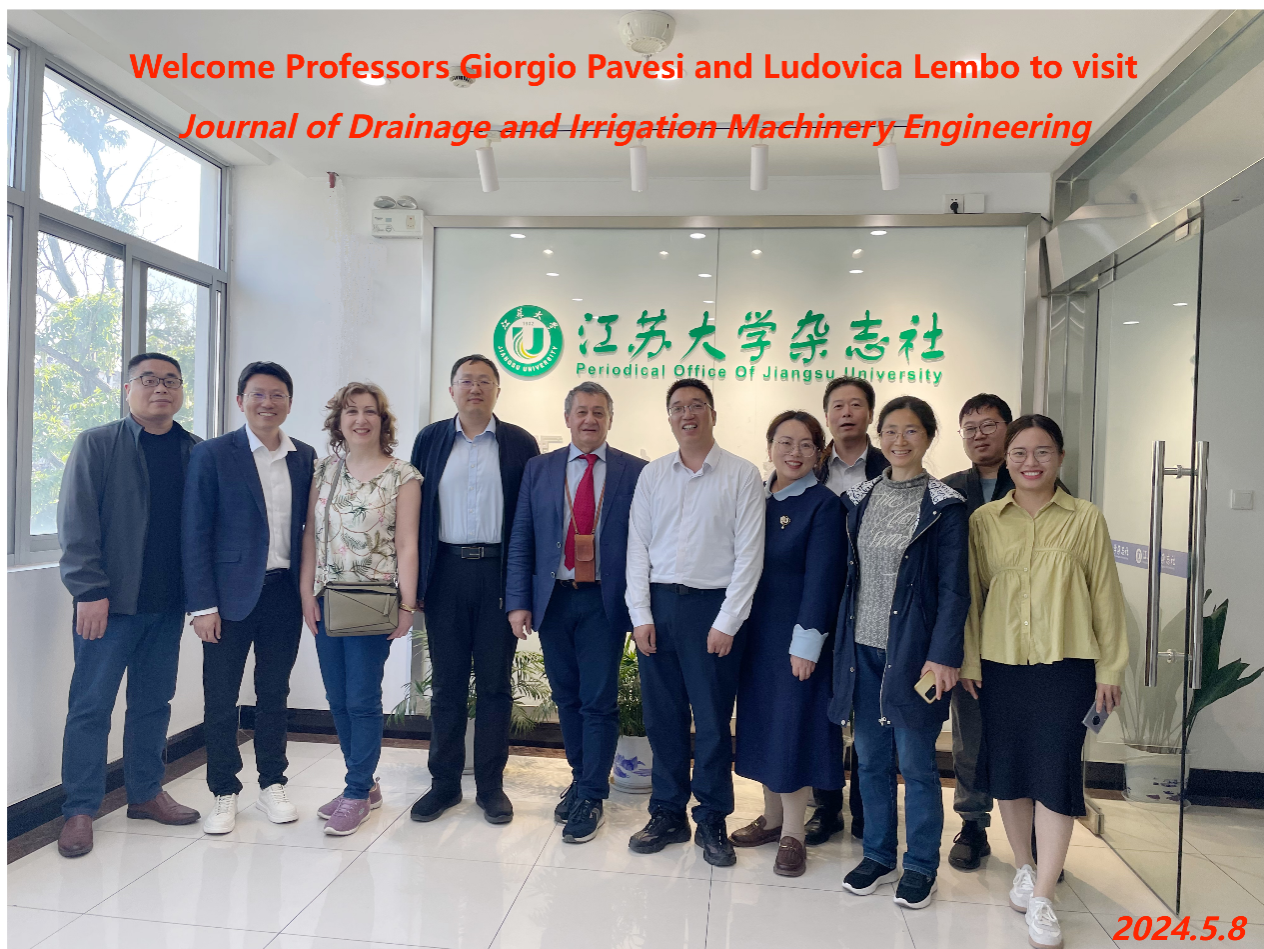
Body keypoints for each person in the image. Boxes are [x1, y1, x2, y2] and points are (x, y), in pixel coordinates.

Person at [961, 415, 1127, 949]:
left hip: (1067, 668)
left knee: (1056, 777)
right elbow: (972, 600)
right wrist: (970, 662)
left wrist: (1110, 669)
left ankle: (1044, 895)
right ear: (1006, 460)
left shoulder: (1085, 518)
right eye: (1020, 453)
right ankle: (1024, 867)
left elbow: (1106, 598)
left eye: (1042, 452)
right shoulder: (985, 521)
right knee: (1009, 773)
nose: (1030, 463)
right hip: (1001, 666)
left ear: (1060, 458)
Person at [55, 353, 202, 858]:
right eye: (149, 379)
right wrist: (88, 590)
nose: (161, 388)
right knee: (90, 706)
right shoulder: (97, 443)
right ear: (127, 388)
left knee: (153, 703)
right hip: (109, 604)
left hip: (167, 603)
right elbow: (76, 521)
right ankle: (79, 809)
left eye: (171, 381)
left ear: (180, 390)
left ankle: (145, 793)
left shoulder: (193, 450)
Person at [829, 396, 968, 910]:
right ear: (878, 436)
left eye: (911, 431)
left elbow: (955, 590)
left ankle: (922, 864)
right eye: (890, 431)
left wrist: (944, 654)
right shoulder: (859, 498)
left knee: (917, 763)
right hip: (861, 650)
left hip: (914, 656)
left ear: (928, 437)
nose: (899, 440)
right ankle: (879, 855)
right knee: (869, 759)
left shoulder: (946, 506)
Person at [625, 378, 765, 868]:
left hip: (713, 610)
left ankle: (711, 817)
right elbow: (637, 548)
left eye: (697, 405)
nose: (688, 414)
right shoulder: (653, 475)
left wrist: (729, 620)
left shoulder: (742, 475)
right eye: (678, 407)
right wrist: (640, 614)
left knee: (711, 722)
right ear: (669, 418)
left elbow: (750, 555)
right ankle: (667, 812)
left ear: (713, 414)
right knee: (662, 719)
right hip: (660, 608)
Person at [506, 382, 647, 844]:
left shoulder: (634, 471)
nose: (590, 419)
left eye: (599, 412)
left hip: (603, 600)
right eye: (582, 411)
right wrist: (518, 601)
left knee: (598, 700)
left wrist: (640, 609)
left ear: (610, 419)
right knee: (566, 697)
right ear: (567, 418)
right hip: (554, 598)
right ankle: (581, 777)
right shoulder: (539, 468)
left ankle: (592, 795)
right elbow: (522, 536)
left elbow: (644, 545)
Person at [184, 361, 316, 834]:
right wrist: (202, 606)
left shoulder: (304, 457)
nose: (267, 403)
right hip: (227, 600)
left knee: (274, 693)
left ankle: (272, 783)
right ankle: (224, 790)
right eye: (258, 394)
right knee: (220, 697)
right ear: (240, 401)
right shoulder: (214, 454)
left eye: (277, 394)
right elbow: (194, 533)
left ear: (289, 403)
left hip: (283, 593)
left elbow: (310, 530)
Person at [409, 354, 539, 825]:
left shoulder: (519, 443)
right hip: (445, 572)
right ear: (452, 391)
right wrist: (413, 584)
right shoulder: (430, 440)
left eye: (485, 381)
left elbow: (529, 521)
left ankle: (490, 787)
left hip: (498, 574)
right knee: (446, 686)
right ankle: (443, 784)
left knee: (494, 686)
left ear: (498, 390)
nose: (475, 388)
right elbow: (414, 514)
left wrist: (522, 592)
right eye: (466, 381)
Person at [299, 383, 420, 835]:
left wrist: (407, 605)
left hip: (374, 599)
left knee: (362, 698)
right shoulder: (323, 470)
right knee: (337, 697)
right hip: (326, 598)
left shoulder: (403, 476)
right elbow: (310, 535)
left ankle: (355, 792)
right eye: (351, 411)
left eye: (370, 412)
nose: (360, 419)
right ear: (339, 420)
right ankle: (364, 784)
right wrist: (305, 593)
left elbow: (407, 544)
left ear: (382, 421)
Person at [730, 411, 844, 878]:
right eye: (784, 442)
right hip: (754, 636)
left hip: (796, 640)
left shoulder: (823, 505)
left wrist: (807, 644)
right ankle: (772, 818)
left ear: (819, 453)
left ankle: (794, 833)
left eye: (805, 444)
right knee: (762, 725)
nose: (794, 453)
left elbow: (823, 581)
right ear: (769, 446)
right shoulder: (754, 497)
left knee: (793, 730)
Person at [806, 377, 884, 846]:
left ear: (870, 414)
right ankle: (826, 806)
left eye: (856, 405)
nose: (847, 413)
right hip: (820, 600)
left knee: (869, 710)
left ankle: (867, 809)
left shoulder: (888, 466)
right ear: (827, 415)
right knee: (823, 706)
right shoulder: (809, 466)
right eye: (838, 406)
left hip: (871, 601)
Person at [940, 393, 1014, 870]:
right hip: (964, 630)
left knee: (1023, 732)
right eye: (970, 428)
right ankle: (972, 824)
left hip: (1022, 632)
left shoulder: (1034, 482)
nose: (979, 435)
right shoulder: (949, 489)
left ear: (1008, 428)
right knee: (969, 732)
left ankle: (1032, 829)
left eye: (989, 425)